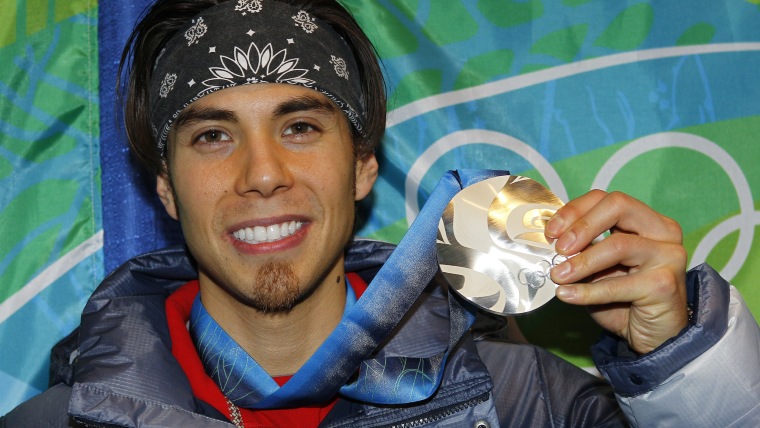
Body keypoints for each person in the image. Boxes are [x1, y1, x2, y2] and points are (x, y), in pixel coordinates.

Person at [2, 0, 759, 426]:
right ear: (164, 189)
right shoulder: (62, 423)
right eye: (212, 136)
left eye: (300, 127)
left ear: (363, 163)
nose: (262, 174)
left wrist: (682, 371)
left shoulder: (522, 401)